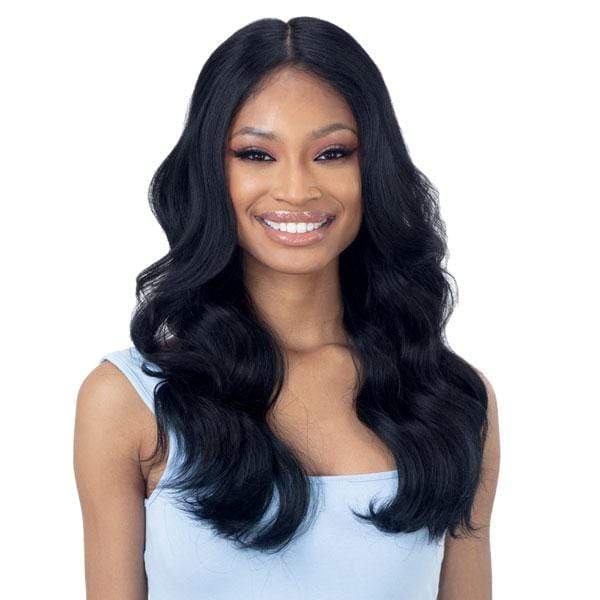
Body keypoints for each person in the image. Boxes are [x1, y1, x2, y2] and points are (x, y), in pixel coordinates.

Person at [74, 16, 500, 600]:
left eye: (332, 153)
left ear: (373, 169)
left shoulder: (448, 398)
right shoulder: (128, 401)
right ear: (211, 170)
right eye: (256, 154)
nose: (297, 190)